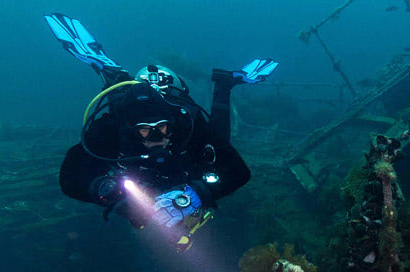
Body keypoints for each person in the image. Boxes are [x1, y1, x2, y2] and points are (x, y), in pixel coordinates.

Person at [44, 13, 278, 250]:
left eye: (161, 128)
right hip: (127, 122)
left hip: (179, 130)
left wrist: (199, 192)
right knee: (120, 98)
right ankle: (114, 76)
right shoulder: (113, 127)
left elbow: (238, 171)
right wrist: (107, 191)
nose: (156, 137)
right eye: (145, 130)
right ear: (132, 130)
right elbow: (70, 176)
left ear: (172, 123)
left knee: (218, 142)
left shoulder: (187, 124)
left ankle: (224, 84)